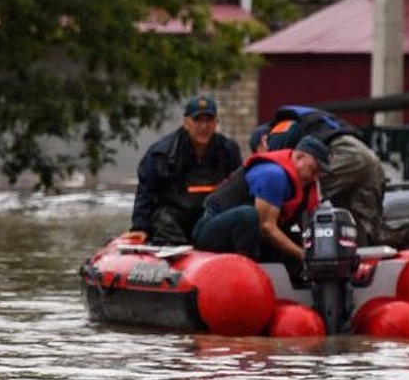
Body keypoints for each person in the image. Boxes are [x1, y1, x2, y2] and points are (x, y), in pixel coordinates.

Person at [192, 136, 328, 270]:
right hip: (211, 228)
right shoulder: (273, 175)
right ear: (299, 158)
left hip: (249, 237)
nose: (314, 178)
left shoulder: (307, 186)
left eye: (319, 174)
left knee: (291, 241)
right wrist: (303, 254)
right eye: (313, 170)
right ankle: (248, 272)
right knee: (247, 215)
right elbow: (266, 227)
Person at [259, 105, 386, 246]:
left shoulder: (279, 129)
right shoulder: (308, 119)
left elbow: (279, 163)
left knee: (301, 193)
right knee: (362, 224)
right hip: (366, 156)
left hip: (342, 154)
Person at [130, 95, 243, 245]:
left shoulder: (229, 150)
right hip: (174, 219)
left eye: (209, 120)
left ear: (216, 123)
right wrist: (140, 227)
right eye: (198, 120)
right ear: (186, 123)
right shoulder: (162, 153)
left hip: (209, 217)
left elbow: (238, 188)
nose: (204, 127)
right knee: (163, 218)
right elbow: (146, 192)